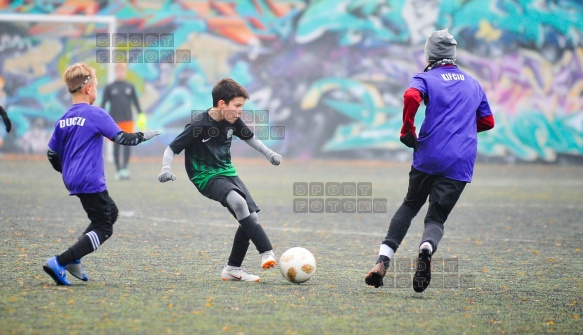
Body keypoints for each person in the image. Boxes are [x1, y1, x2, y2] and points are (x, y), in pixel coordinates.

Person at [365, 29, 495, 292]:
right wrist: (461, 131)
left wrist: (407, 130)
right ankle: (426, 247)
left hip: (429, 155)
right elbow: (488, 121)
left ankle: (382, 260)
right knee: (436, 217)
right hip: (460, 161)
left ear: (430, 53)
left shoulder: (426, 77)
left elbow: (411, 96)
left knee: (410, 204)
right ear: (453, 54)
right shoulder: (473, 83)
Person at [44, 62, 160, 285]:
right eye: (95, 86)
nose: (96, 90)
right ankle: (60, 261)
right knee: (104, 226)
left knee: (110, 212)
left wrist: (66, 170)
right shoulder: (95, 114)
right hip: (89, 179)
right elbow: (122, 139)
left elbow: (52, 154)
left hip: (73, 179)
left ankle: (75, 257)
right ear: (88, 89)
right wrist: (144, 135)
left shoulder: (64, 118)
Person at [157, 78, 281, 282]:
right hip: (205, 175)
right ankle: (266, 252)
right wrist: (165, 168)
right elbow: (172, 148)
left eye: (242, 106)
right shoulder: (199, 124)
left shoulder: (232, 120)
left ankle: (232, 268)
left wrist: (269, 154)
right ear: (222, 104)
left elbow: (250, 137)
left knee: (251, 219)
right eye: (238, 106)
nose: (240, 111)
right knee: (239, 203)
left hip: (228, 172)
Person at [101, 63, 146, 180]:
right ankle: (118, 170)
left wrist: (141, 114)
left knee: (127, 144)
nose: (120, 73)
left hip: (128, 120)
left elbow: (136, 102)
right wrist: (100, 117)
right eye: (118, 71)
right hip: (114, 121)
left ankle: (125, 168)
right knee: (116, 145)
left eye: (122, 71)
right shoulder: (110, 87)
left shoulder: (130, 86)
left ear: (125, 72)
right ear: (116, 72)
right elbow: (103, 103)